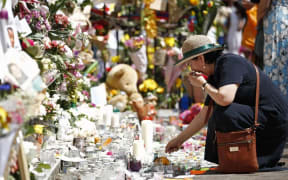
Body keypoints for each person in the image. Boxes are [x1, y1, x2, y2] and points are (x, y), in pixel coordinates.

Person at [165, 35, 288, 169]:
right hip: (260, 119)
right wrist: (178, 141)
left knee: (224, 111)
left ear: (200, 59)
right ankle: (230, 159)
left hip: (273, 122)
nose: (190, 68)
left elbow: (225, 98)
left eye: (190, 63)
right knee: (216, 110)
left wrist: (203, 84)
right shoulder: (215, 74)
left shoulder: (229, 62)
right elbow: (204, 116)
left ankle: (241, 158)